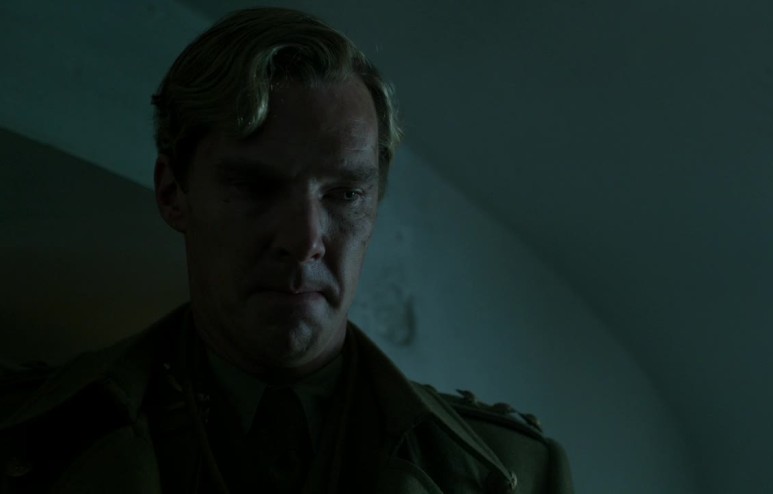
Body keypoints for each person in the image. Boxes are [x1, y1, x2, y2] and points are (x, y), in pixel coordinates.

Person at [0, 7, 573, 493]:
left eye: (345, 194)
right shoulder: (25, 439)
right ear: (173, 193)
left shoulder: (508, 474)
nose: (303, 241)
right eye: (254, 186)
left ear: (376, 203)